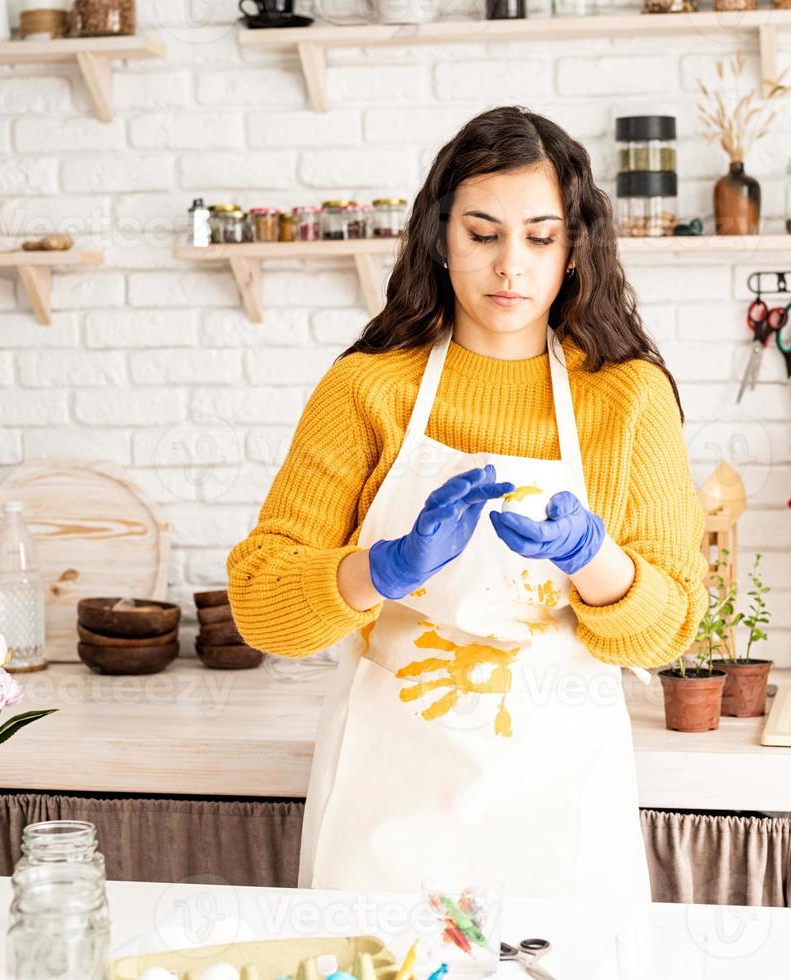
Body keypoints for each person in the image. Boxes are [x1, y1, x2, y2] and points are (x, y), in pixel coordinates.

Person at [226, 105, 707, 928]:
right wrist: (380, 569)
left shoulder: (627, 397)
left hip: (562, 806)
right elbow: (261, 604)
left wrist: (592, 560)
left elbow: (670, 631)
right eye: (482, 234)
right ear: (439, 240)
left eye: (539, 237)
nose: (509, 266)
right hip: (392, 805)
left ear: (573, 249)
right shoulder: (368, 388)